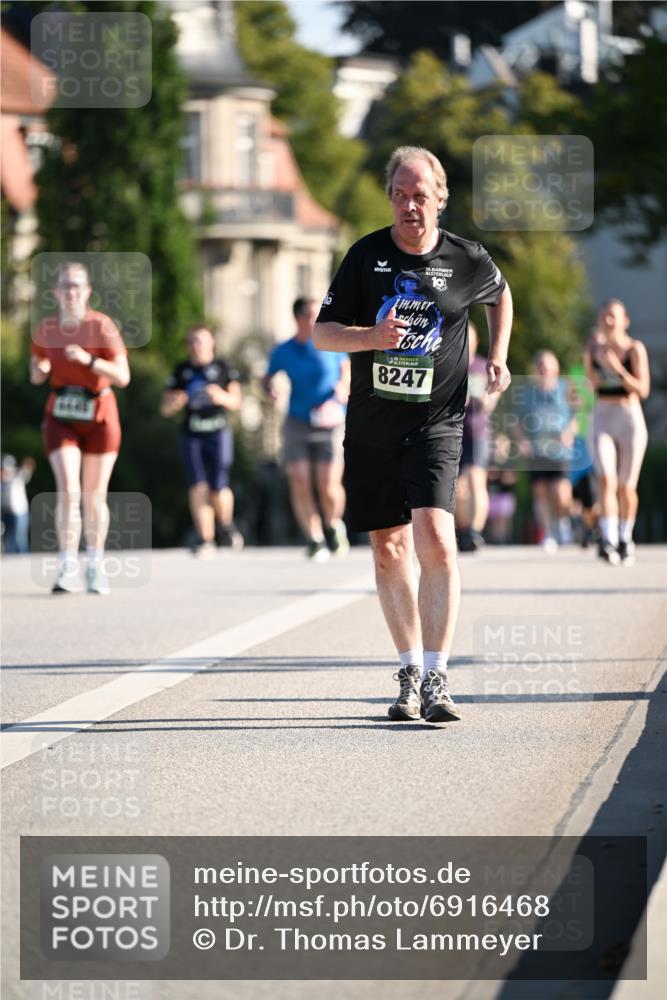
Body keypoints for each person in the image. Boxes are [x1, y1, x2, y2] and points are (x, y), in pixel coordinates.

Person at [313, 145, 513, 723]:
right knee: (388, 547)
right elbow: (323, 334)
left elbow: (501, 296)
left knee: (436, 538)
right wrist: (371, 339)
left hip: (438, 422)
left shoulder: (467, 258)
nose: (408, 206)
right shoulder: (365, 256)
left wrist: (497, 354)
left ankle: (438, 676)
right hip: (373, 425)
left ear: (441, 199)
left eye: (419, 195)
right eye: (399, 195)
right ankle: (407, 671)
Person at [30, 261, 130, 594]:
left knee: (93, 495)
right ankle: (66, 565)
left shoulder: (101, 326)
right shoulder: (46, 328)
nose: (71, 292)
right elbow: (35, 373)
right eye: (66, 286)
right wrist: (41, 366)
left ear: (87, 291)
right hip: (62, 415)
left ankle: (95, 563)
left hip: (100, 413)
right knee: (68, 489)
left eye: (77, 286)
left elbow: (123, 376)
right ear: (56, 293)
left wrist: (88, 360)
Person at [263, 297, 351, 562]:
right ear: (300, 319)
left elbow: (346, 371)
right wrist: (271, 388)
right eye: (315, 315)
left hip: (331, 421)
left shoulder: (331, 342)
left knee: (328, 485)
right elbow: (267, 378)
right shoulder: (284, 350)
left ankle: (334, 524)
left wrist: (344, 389)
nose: (320, 320)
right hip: (297, 421)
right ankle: (314, 538)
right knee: (300, 480)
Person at [160, 325, 244, 557]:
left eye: (201, 341)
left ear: (211, 344)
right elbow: (165, 409)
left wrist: (221, 397)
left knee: (218, 486)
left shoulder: (223, 367)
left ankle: (226, 525)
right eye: (192, 342)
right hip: (192, 434)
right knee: (198, 486)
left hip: (218, 433)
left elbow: (236, 400)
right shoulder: (181, 371)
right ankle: (206, 539)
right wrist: (175, 402)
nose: (196, 347)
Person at [584, 300, 650, 565]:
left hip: (629, 417)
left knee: (625, 487)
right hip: (602, 415)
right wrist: (593, 362)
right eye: (604, 316)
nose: (607, 321)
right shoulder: (594, 347)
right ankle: (608, 540)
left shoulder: (634, 349)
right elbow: (592, 384)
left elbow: (642, 390)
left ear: (625, 320)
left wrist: (618, 369)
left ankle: (625, 538)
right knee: (605, 480)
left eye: (612, 316)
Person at [514, 351, 577, 552]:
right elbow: (516, 421)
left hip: (559, 451)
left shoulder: (565, 389)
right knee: (541, 493)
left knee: (561, 493)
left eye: (548, 366)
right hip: (537, 450)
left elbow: (577, 416)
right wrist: (523, 442)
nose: (544, 369)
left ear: (556, 369)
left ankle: (562, 524)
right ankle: (548, 532)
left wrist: (569, 433)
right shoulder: (528, 393)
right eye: (541, 365)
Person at [455, 322, 497, 552]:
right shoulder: (451, 365)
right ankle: (463, 530)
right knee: (458, 486)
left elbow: (492, 401)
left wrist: (482, 398)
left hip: (478, 432)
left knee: (476, 480)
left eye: (469, 337)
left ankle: (475, 530)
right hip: (454, 431)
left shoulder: (482, 367)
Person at [1, 454, 35, 553]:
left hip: (20, 513)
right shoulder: (2, 482)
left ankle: (23, 559)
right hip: (6, 513)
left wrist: (27, 465)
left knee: (20, 538)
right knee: (8, 539)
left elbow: (27, 470)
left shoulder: (18, 476)